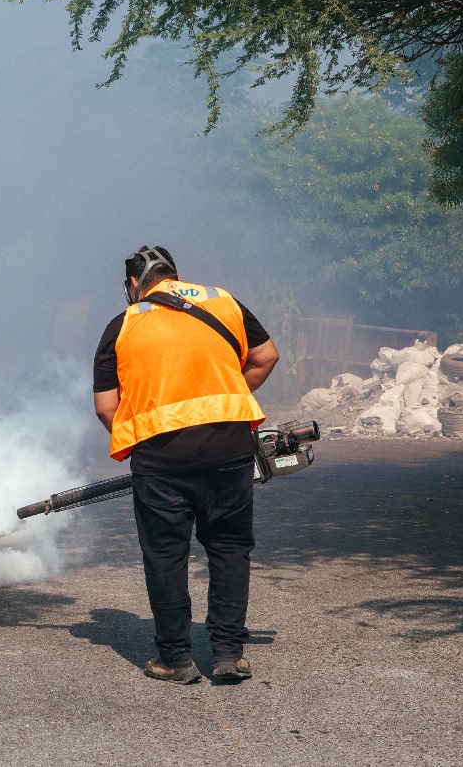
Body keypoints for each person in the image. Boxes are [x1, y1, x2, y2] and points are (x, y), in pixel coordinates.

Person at [92, 245, 279, 684]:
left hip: (161, 458)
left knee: (166, 556)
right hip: (229, 448)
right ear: (175, 275)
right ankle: (229, 654)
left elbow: (106, 407)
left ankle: (176, 659)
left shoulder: (123, 324)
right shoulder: (223, 301)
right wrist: (230, 397)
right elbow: (266, 356)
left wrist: (140, 435)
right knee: (230, 548)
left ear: (135, 283)